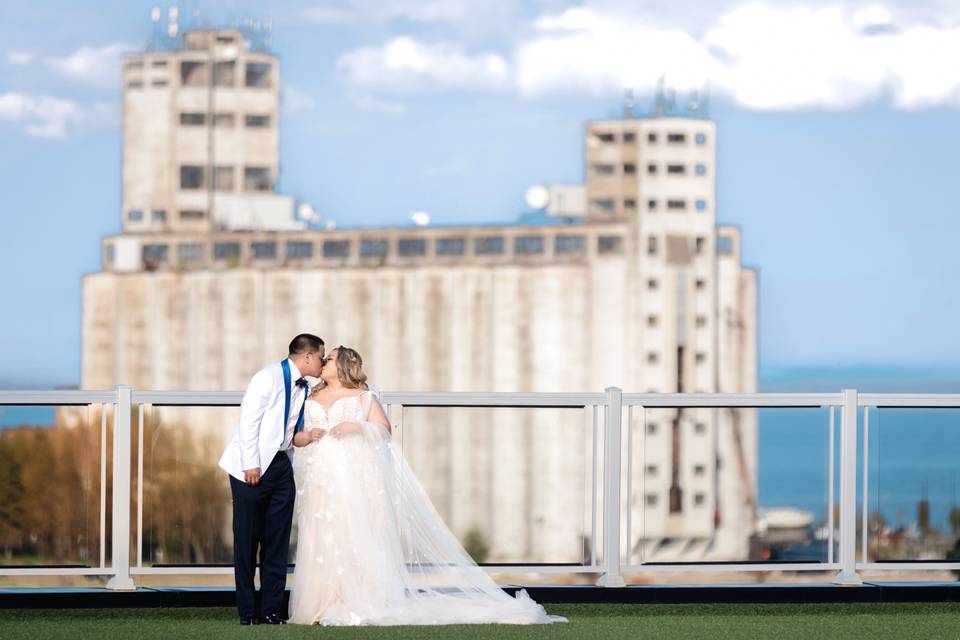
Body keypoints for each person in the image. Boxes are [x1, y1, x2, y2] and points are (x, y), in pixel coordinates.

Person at [287, 346, 564, 626]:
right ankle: (323, 602)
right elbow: (295, 438)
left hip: (352, 482)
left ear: (344, 364)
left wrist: (357, 427)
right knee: (321, 538)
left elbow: (384, 430)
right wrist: (308, 435)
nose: (323, 362)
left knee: (353, 536)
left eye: (330, 358)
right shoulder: (310, 396)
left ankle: (352, 601)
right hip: (320, 481)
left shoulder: (363, 397)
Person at [218, 334, 325, 625]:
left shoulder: (305, 387)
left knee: (277, 540)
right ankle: (248, 611)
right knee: (246, 540)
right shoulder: (267, 377)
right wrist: (251, 464)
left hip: (281, 465)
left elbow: (291, 429)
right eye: (320, 357)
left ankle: (271, 609)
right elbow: (248, 421)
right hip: (249, 468)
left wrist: (308, 437)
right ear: (306, 357)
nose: (322, 362)